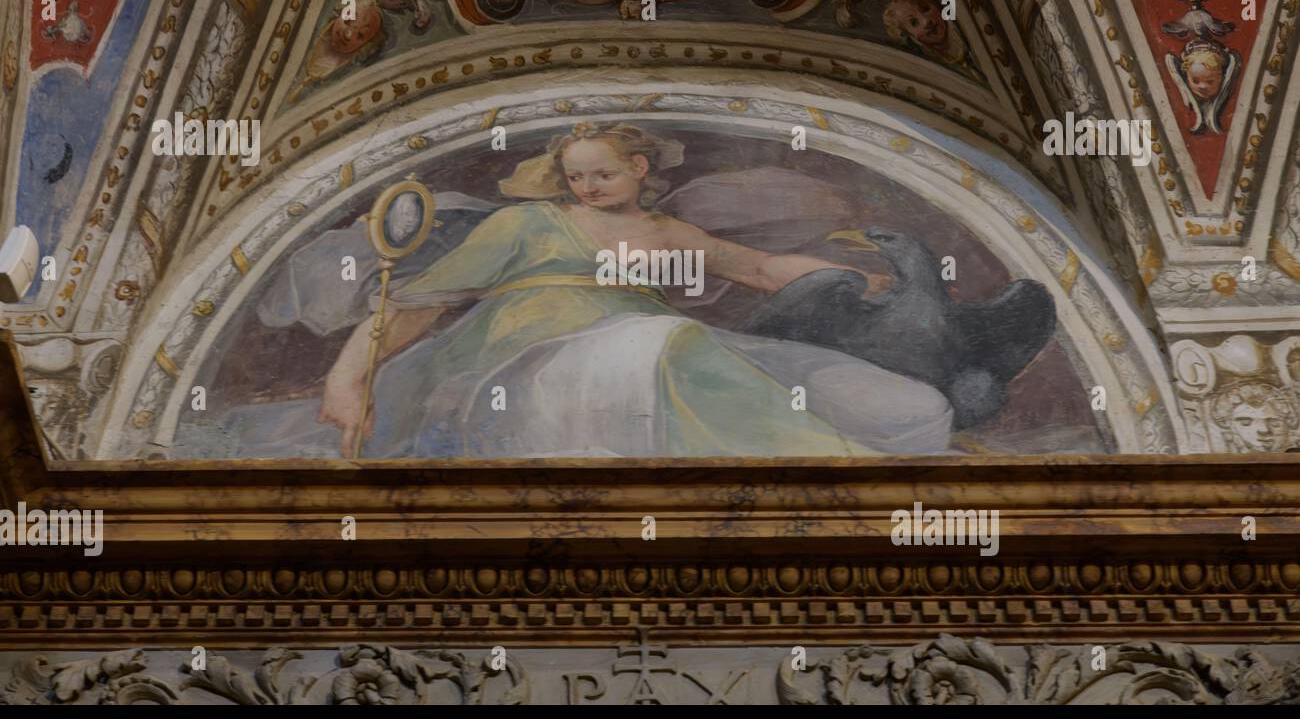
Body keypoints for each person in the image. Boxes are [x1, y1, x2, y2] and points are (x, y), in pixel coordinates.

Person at [316, 122, 953, 458]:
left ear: (639, 169)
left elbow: (756, 267)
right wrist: (347, 380)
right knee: (659, 341)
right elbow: (412, 302)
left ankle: (826, 459)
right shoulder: (529, 222)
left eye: (601, 174)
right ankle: (829, 465)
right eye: (575, 176)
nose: (587, 187)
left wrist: (851, 279)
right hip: (526, 356)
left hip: (659, 343)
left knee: (893, 405)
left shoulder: (666, 230)